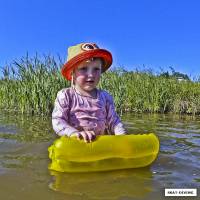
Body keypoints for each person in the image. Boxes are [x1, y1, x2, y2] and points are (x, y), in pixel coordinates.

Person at [52, 42, 126, 143]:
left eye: (96, 69)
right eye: (83, 69)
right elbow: (57, 121)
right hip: (76, 144)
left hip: (99, 146)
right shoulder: (66, 96)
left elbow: (115, 122)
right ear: (72, 72)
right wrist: (73, 133)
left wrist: (122, 137)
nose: (91, 75)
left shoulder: (105, 97)